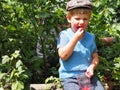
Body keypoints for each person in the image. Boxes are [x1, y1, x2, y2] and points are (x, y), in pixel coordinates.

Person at [57, 0, 105, 90]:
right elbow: (63, 56)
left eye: (85, 19)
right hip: (70, 77)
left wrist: (92, 67)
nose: (82, 22)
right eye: (77, 19)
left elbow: (95, 57)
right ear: (68, 18)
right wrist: (75, 39)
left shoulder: (90, 37)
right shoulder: (64, 35)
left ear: (89, 19)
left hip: (87, 76)